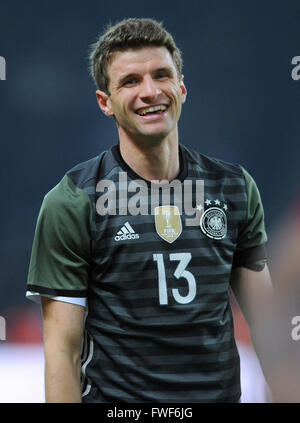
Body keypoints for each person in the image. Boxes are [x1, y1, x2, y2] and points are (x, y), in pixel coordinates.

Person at [26, 18, 273, 403]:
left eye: (162, 75)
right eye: (130, 81)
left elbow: (269, 329)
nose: (150, 91)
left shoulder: (234, 188)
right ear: (104, 103)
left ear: (182, 88)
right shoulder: (73, 201)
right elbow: (62, 351)